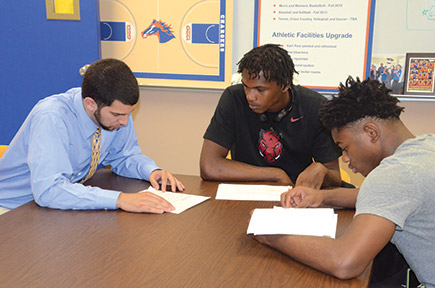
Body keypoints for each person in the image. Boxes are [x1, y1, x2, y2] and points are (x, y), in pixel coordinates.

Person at [252, 77, 435, 286]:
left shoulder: (394, 174)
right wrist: (321, 197)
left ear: (371, 133)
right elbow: (384, 197)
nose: (345, 159)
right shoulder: (426, 146)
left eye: (345, 147)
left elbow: (344, 263)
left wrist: (269, 234)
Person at [0, 59, 184, 214]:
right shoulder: (52, 117)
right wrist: (120, 199)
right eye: (117, 115)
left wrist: (151, 171)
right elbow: (49, 190)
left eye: (129, 113)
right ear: (90, 104)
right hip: (13, 209)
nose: (125, 122)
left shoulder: (114, 116)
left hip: (55, 206)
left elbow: (124, 156)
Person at [200, 44, 342, 188]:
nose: (250, 96)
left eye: (260, 89)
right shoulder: (234, 98)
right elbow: (209, 166)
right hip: (246, 192)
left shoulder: (316, 106)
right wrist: (275, 175)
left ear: (285, 85)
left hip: (296, 193)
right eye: (246, 86)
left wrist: (322, 171)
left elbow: (334, 175)